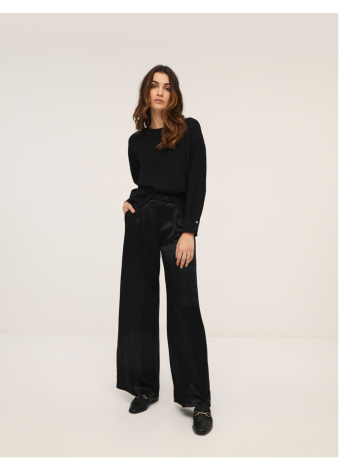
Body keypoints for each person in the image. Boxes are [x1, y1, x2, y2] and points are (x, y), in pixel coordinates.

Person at [116, 65, 213, 435]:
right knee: (139, 302)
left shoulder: (189, 130)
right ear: (146, 93)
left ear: (174, 95)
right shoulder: (136, 141)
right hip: (142, 221)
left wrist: (190, 231)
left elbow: (197, 182)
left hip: (177, 223)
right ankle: (143, 387)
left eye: (167, 86)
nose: (160, 91)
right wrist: (131, 202)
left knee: (184, 305)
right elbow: (143, 181)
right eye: (154, 86)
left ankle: (198, 400)